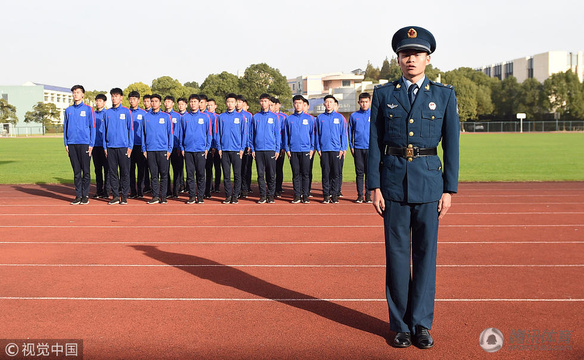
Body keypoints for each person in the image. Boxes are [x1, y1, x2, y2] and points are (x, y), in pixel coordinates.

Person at [367, 26, 459, 349]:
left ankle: (421, 323)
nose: (411, 59)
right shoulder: (383, 94)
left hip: (429, 184)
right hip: (392, 184)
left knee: (425, 256)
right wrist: (373, 186)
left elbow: (452, 144)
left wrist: (449, 189)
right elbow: (375, 143)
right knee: (396, 256)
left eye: (416, 54)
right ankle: (400, 325)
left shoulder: (444, 95)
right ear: (398, 58)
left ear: (427, 58)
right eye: (405, 54)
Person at [64, 84, 95, 205]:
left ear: (82, 94)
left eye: (77, 92)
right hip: (72, 144)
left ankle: (85, 195)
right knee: (76, 172)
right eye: (74, 92)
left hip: (84, 144)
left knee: (86, 171)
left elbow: (92, 127)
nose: (75, 94)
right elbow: (65, 127)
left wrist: (91, 144)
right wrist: (66, 143)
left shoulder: (88, 109)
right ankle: (78, 195)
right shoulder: (68, 110)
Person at [103, 87, 133, 205]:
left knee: (125, 172)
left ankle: (124, 196)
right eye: (112, 96)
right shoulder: (107, 113)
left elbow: (130, 129)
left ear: (121, 98)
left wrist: (130, 146)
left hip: (123, 147)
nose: (114, 98)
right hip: (110, 147)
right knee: (113, 173)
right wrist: (105, 147)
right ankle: (115, 196)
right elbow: (105, 130)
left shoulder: (126, 112)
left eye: (116, 96)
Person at [316, 95, 347, 204]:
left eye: (331, 102)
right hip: (324, 150)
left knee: (336, 173)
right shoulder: (320, 118)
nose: (329, 104)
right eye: (327, 102)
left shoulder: (340, 117)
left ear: (334, 104)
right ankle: (326, 195)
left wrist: (343, 148)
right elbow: (317, 134)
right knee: (326, 173)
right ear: (324, 104)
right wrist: (318, 148)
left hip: (336, 150)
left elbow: (343, 134)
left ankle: (334, 195)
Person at [181, 94, 212, 204]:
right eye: (191, 102)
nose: (193, 103)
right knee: (190, 175)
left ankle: (200, 196)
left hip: (200, 150)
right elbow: (181, 134)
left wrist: (207, 147)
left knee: (200, 174)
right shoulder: (185, 117)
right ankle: (191, 196)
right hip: (188, 150)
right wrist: (182, 148)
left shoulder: (205, 117)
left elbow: (209, 134)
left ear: (199, 103)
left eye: (195, 101)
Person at [250, 94, 281, 204]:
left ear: (269, 103)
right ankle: (263, 195)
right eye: (262, 101)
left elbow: (277, 134)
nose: (263, 103)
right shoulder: (255, 117)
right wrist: (253, 149)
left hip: (270, 149)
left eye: (265, 101)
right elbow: (252, 134)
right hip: (258, 150)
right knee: (260, 174)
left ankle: (271, 195)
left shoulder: (274, 117)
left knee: (271, 174)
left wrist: (277, 149)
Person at [142, 94, 172, 204]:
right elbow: (143, 134)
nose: (154, 103)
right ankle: (155, 196)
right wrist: (144, 149)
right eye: (152, 101)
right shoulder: (146, 117)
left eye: (156, 101)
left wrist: (169, 149)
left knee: (164, 174)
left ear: (160, 103)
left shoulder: (166, 116)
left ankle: (163, 197)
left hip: (163, 150)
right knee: (153, 175)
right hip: (150, 150)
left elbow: (170, 134)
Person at [284, 95, 315, 203]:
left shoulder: (310, 119)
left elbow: (312, 134)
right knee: (296, 174)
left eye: (300, 103)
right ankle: (297, 195)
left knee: (305, 174)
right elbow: (286, 136)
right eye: (296, 103)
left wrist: (312, 148)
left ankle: (305, 195)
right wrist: (287, 150)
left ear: (303, 104)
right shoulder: (289, 119)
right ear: (293, 104)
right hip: (293, 151)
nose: (298, 105)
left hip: (306, 150)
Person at [217, 93, 246, 204]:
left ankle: (235, 196)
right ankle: (228, 195)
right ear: (226, 103)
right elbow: (218, 133)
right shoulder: (221, 117)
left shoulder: (240, 117)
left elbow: (244, 133)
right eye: (228, 102)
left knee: (237, 174)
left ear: (236, 103)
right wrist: (219, 148)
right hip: (224, 150)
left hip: (236, 150)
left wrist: (242, 148)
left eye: (232, 102)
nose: (230, 104)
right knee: (226, 174)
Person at [349, 92, 372, 203]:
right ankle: (359, 195)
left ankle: (368, 195)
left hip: (370, 148)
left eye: (366, 102)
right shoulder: (354, 116)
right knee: (359, 173)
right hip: (358, 148)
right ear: (359, 102)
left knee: (369, 172)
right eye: (362, 102)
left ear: (370, 102)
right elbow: (350, 132)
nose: (364, 104)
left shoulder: (374, 115)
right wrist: (351, 146)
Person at [128, 91, 148, 199]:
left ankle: (140, 191)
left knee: (141, 170)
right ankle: (133, 191)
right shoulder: (127, 113)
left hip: (140, 145)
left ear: (138, 100)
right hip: (129, 146)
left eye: (134, 99)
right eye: (130, 99)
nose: (132, 101)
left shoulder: (144, 113)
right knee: (130, 170)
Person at [164, 96, 183, 199]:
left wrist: (180, 146)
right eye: (165, 102)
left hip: (176, 148)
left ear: (173, 104)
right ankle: (167, 191)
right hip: (165, 148)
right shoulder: (162, 115)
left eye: (169, 102)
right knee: (165, 171)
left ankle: (176, 191)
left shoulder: (178, 116)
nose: (167, 104)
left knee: (177, 170)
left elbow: (180, 133)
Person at [92, 94, 109, 199]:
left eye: (100, 101)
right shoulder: (92, 114)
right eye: (97, 101)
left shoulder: (107, 114)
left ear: (104, 102)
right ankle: (99, 191)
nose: (98, 103)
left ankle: (107, 191)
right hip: (95, 145)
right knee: (97, 169)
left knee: (107, 169)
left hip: (105, 146)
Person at [236, 95, 253, 198]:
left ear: (243, 103)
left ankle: (245, 188)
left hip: (246, 146)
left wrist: (250, 144)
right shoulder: (231, 115)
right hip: (235, 146)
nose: (238, 104)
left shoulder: (248, 116)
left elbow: (251, 131)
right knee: (237, 170)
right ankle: (238, 190)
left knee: (246, 168)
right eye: (236, 102)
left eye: (240, 102)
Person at [205, 97, 221, 197]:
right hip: (208, 146)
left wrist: (216, 145)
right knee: (208, 168)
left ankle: (217, 186)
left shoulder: (217, 117)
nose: (210, 107)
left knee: (217, 167)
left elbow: (216, 132)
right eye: (208, 105)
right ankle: (209, 186)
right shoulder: (205, 116)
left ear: (215, 106)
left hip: (215, 145)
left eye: (211, 105)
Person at [271, 97, 287, 198]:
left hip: (280, 147)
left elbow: (285, 133)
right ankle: (271, 188)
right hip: (269, 147)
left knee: (279, 168)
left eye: (274, 104)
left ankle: (278, 188)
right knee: (269, 170)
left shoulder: (283, 117)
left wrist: (284, 146)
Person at [142, 94, 153, 194]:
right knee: (144, 168)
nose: (146, 103)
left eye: (148, 101)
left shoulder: (153, 113)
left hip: (155, 146)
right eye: (144, 101)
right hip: (144, 145)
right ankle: (146, 185)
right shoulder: (143, 113)